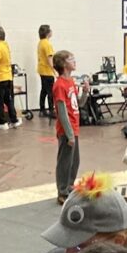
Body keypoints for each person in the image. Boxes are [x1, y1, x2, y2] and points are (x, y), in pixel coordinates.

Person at [53, 50, 89, 205]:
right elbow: (61, 112)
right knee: (65, 162)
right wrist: (69, 134)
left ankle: (69, 186)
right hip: (67, 130)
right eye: (71, 59)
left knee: (75, 161)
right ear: (63, 64)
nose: (74, 61)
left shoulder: (71, 82)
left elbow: (79, 104)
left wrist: (85, 92)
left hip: (74, 128)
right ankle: (62, 191)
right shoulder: (59, 85)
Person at [36, 24, 55, 118]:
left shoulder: (40, 42)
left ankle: (42, 109)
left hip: (41, 70)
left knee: (44, 90)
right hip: (47, 71)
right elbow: (49, 58)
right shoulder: (47, 44)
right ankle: (51, 110)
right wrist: (55, 70)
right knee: (50, 92)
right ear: (48, 33)